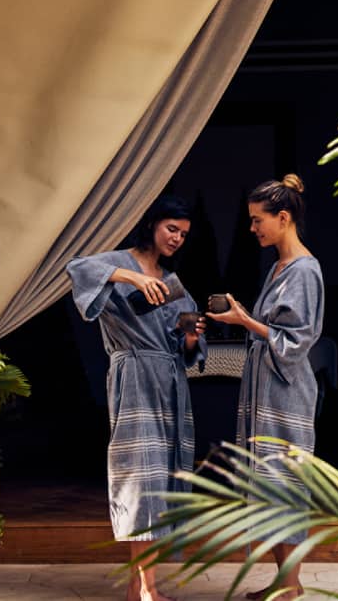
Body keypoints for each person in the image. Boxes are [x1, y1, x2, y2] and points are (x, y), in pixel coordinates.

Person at [66, 195, 206, 601]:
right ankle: (148, 588)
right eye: (171, 229)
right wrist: (132, 279)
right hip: (135, 378)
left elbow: (190, 351)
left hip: (171, 381)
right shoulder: (118, 263)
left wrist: (193, 333)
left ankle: (136, 586)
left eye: (183, 234)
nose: (177, 238)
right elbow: (77, 268)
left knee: (163, 479)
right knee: (139, 477)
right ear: (152, 225)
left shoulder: (173, 283)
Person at [206, 174, 324, 600]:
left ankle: (290, 588)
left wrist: (244, 320)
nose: (253, 228)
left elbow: (295, 341)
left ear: (284, 217)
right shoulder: (279, 267)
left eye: (258, 220)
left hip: (286, 391)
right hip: (267, 390)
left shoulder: (305, 270)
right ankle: (286, 583)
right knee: (268, 485)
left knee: (284, 484)